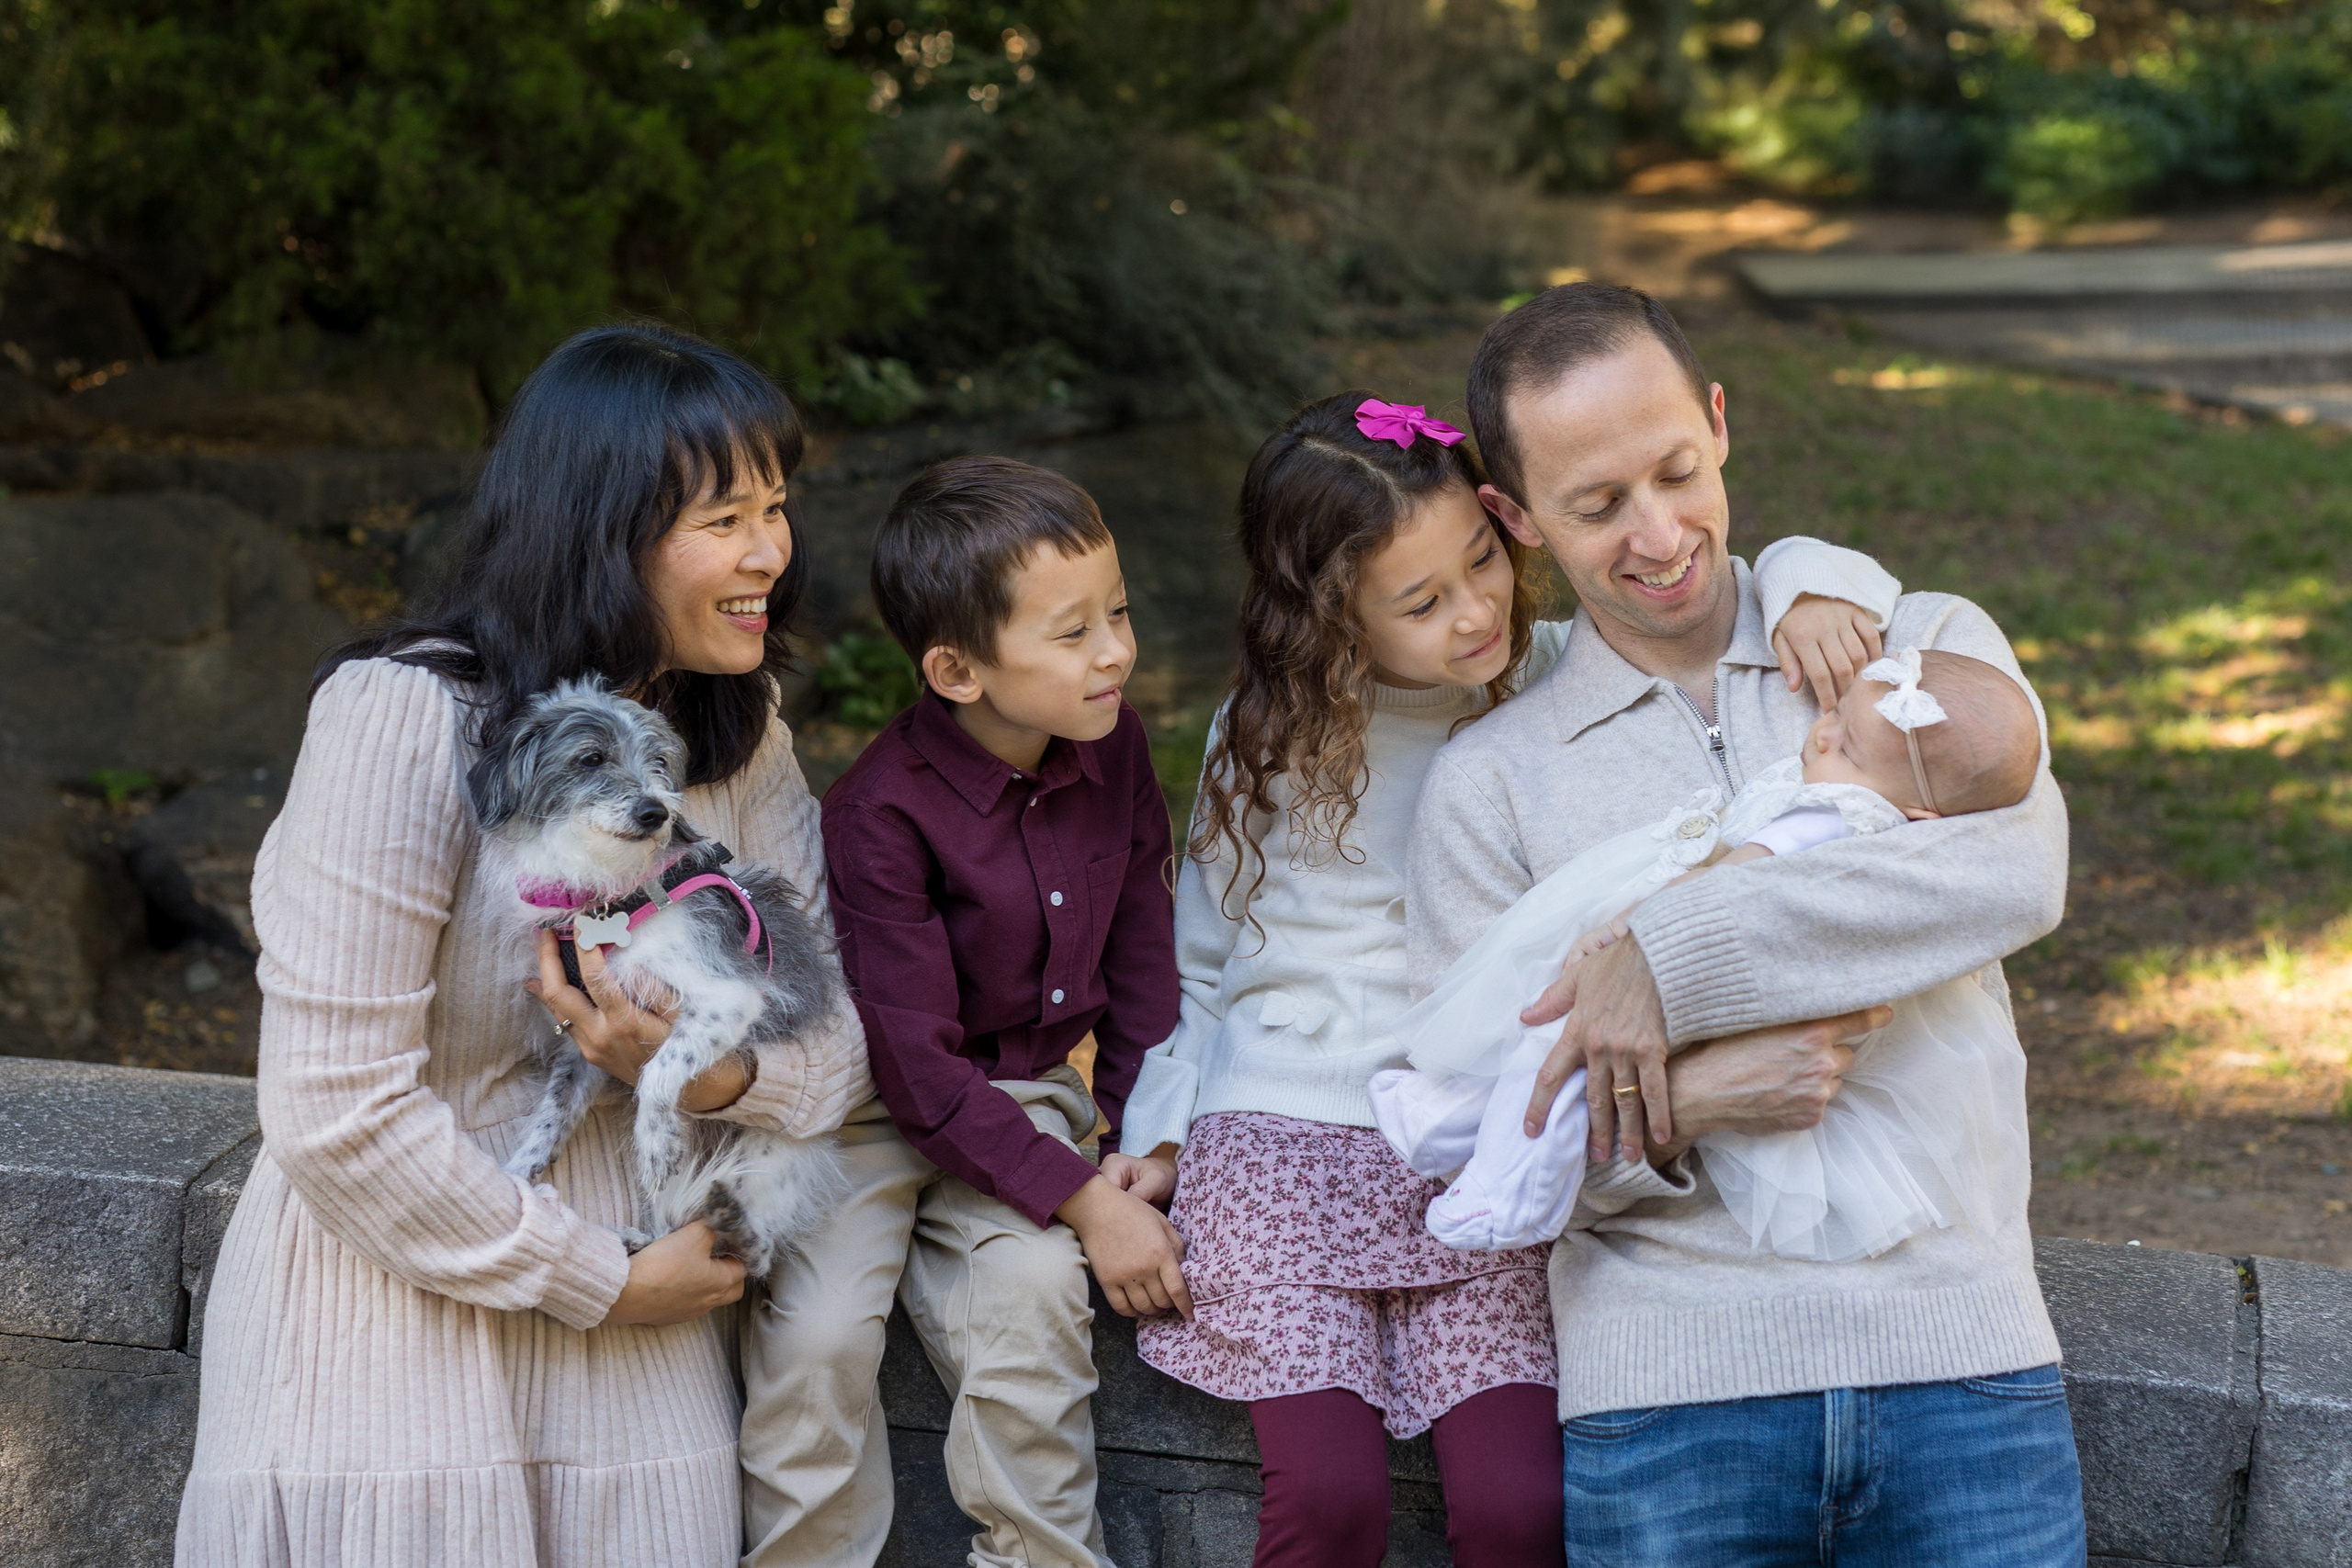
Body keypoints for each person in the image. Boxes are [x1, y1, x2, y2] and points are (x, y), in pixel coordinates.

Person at [1117, 390, 1897, 1568]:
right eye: (1420, 603)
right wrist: (1164, 1133)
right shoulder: (1263, 730)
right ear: (1328, 619)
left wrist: (1815, 573)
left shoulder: (1555, 677)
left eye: (1482, 562)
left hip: (1479, 1147)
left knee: (1520, 1509)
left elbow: (1719, 590)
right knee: (1328, 1503)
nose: (1476, 611)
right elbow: (1210, 965)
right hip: (1276, 1142)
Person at [1409, 281, 2087, 1565]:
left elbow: (2015, 873)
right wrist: (1699, 1094)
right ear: (1516, 516)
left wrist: (1663, 962)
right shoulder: (1490, 779)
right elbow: (1482, 1134)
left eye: (1675, 470)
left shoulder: (1918, 649)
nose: (1659, 534)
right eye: (1598, 505)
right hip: (1668, 1400)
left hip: (1965, 1358)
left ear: (1719, 421)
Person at [175, 324, 873, 1568]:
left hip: (642, 1365)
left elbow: (828, 1051)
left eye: (779, 506)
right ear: (602, 529)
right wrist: (599, 1278)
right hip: (384, 1339)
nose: (773, 551)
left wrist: (695, 1069)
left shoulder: (733, 732)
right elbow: (335, 1105)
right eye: (725, 519)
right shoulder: (405, 716)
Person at [740, 457, 1182, 1568]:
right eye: (1073, 632)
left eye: (1117, 613)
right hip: (874, 1111)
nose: (1117, 652)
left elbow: (1143, 964)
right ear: (956, 669)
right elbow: (915, 1073)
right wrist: (1084, 1198)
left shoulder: (1114, 746)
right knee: (821, 1339)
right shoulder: (879, 813)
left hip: (1024, 1100)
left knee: (1033, 1306)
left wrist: (1138, 1136)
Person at [1375, 646, 2042, 1259]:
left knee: (1563, 1045)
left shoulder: (1845, 816)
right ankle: (1463, 1124)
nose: (1820, 731)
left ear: (1920, 813)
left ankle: (1510, 1184)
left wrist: (1628, 935)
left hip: (1707, 983)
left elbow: (1725, 883)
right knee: (1561, 1049)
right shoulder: (1871, 777)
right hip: (1729, 989)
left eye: (1849, 747)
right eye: (1835, 712)